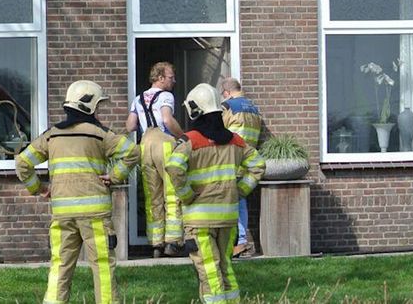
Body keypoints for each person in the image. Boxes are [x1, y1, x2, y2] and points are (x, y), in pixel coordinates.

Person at [15, 80, 139, 304]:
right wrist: (115, 176)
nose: (99, 110)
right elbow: (132, 152)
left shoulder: (52, 135)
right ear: (90, 106)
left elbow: (23, 163)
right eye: (98, 106)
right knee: (102, 268)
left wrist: (39, 188)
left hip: (62, 215)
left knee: (60, 267)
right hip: (96, 215)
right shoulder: (100, 134)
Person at [166, 84, 265, 304]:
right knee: (225, 267)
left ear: (194, 110)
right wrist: (240, 191)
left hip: (199, 220)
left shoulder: (189, 141)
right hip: (228, 218)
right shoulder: (235, 140)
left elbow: (173, 168)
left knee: (209, 271)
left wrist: (186, 195)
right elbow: (258, 164)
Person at [126, 61, 186, 258]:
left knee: (153, 197)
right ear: (160, 77)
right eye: (170, 77)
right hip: (165, 143)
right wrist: (183, 137)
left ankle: (155, 244)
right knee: (172, 193)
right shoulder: (166, 96)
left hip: (145, 145)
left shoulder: (138, 98)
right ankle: (173, 242)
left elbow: (130, 126)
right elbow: (167, 119)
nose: (174, 81)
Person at [220, 77, 264, 258]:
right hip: (248, 159)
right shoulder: (254, 108)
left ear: (227, 92)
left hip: (232, 158)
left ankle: (240, 241)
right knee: (241, 199)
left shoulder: (228, 106)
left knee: (233, 201)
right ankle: (241, 240)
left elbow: (219, 130)